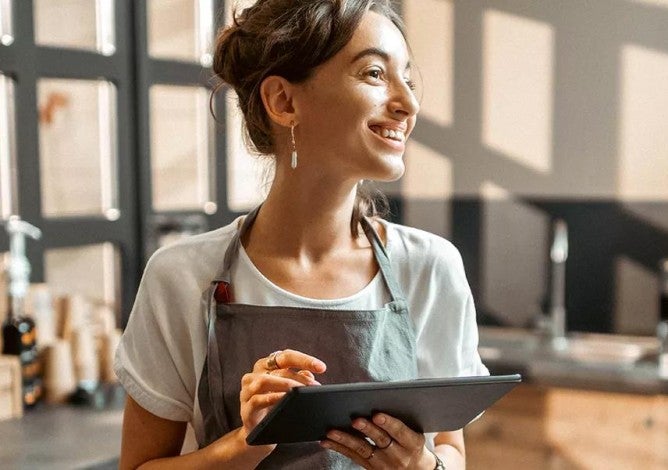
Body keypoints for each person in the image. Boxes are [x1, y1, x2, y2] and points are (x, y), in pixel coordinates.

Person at [115, 0, 488, 468]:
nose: (408, 103)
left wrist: (421, 465)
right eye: (375, 74)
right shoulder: (181, 277)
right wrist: (245, 442)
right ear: (284, 102)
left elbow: (450, 449)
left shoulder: (430, 268)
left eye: (407, 79)